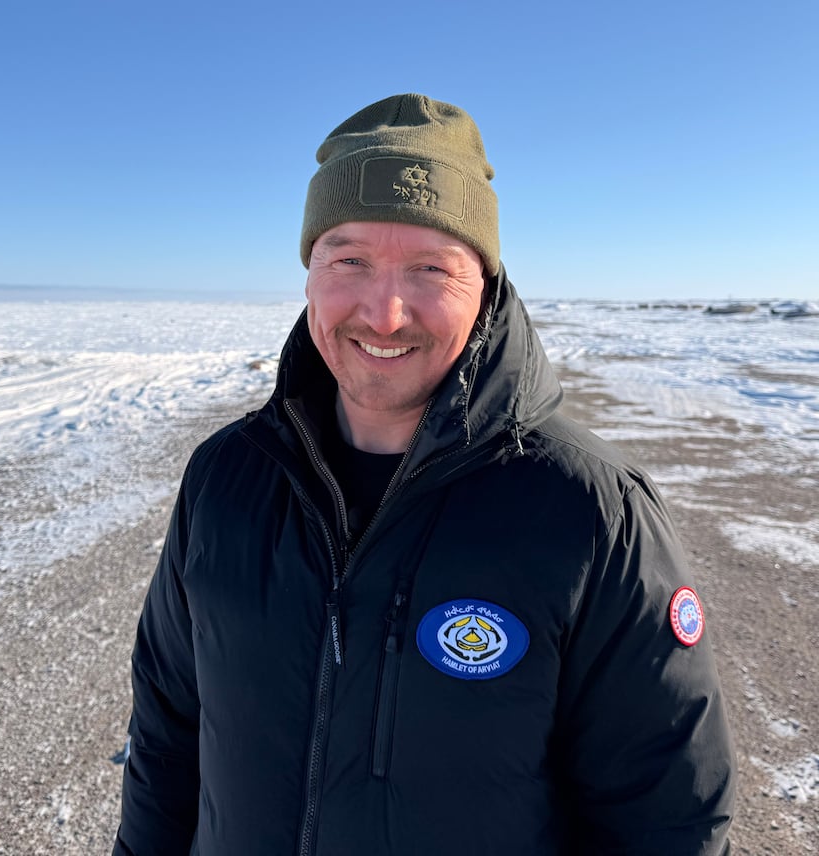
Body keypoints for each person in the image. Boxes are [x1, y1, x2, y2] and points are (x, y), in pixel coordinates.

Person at [114, 93, 735, 855]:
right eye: (349, 260)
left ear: (487, 287)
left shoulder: (590, 512)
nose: (384, 312)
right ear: (310, 273)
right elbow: (168, 743)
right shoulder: (225, 481)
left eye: (430, 268)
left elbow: (665, 821)